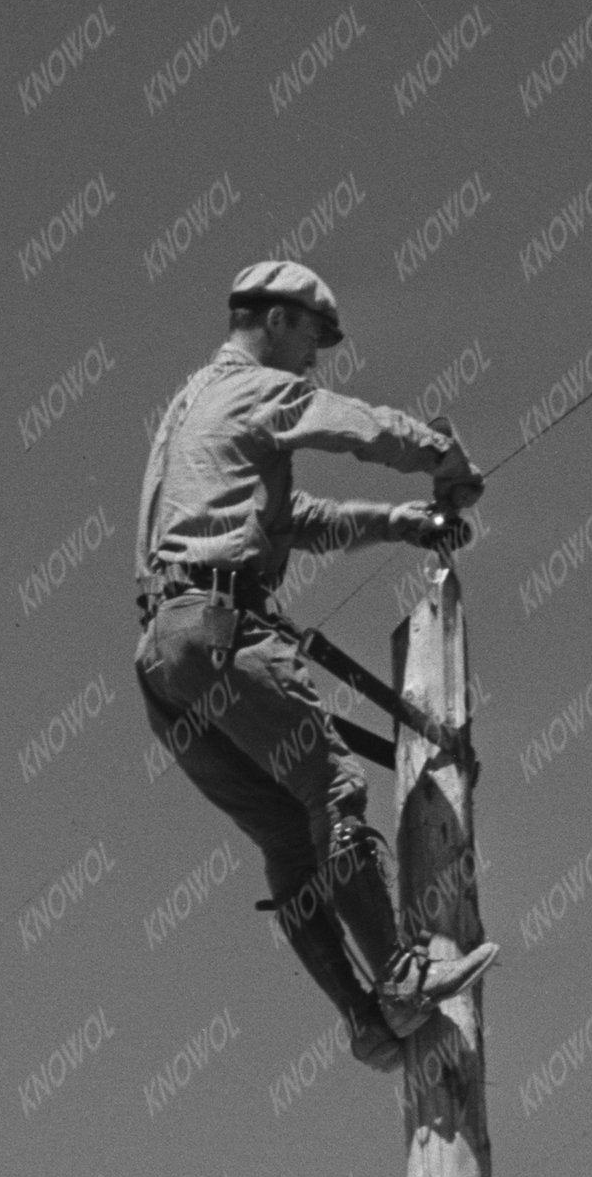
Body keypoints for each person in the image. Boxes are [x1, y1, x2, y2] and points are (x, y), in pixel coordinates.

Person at [131, 259, 495, 1066]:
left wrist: (402, 522)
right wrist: (442, 455)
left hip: (167, 658)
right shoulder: (255, 387)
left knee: (293, 837)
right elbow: (352, 426)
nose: (316, 360)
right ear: (278, 320)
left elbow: (295, 520)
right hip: (218, 630)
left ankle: (366, 1021)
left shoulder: (192, 408)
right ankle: (401, 977)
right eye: (314, 339)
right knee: (332, 787)